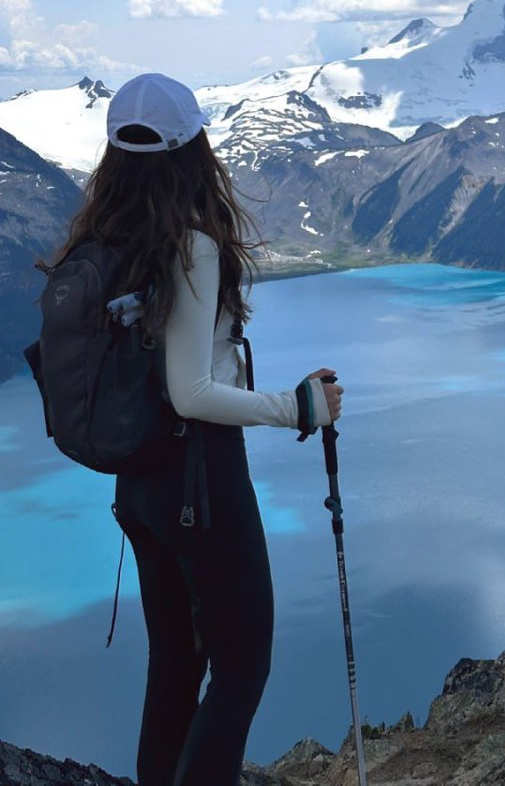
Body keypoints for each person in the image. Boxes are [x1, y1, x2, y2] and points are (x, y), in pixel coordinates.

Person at [50, 72, 343, 786]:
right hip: (200, 483)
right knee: (244, 668)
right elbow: (191, 392)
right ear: (194, 149)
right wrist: (296, 407)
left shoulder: (108, 235)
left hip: (140, 487)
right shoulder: (190, 242)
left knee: (177, 665)